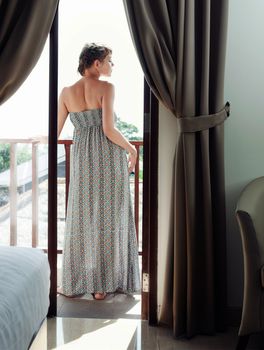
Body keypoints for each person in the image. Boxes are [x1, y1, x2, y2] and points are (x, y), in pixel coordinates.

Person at [58, 43, 141, 300]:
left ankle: (79, 282)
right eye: (109, 61)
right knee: (109, 217)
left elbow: (55, 132)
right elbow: (109, 130)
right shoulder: (106, 88)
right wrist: (132, 150)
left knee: (82, 216)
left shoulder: (66, 92)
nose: (111, 66)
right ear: (96, 63)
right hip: (107, 158)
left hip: (83, 159)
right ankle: (102, 285)